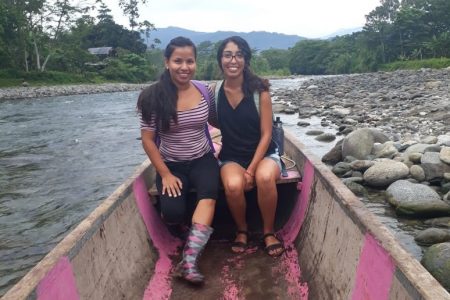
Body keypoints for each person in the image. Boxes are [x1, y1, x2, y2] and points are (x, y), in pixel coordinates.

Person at [136, 36, 219, 284]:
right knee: (172, 213)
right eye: (178, 61)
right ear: (167, 62)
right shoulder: (152, 97)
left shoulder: (204, 90)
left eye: (190, 61)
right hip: (170, 163)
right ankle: (183, 228)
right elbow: (148, 140)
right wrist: (165, 174)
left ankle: (189, 261)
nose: (184, 67)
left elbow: (217, 121)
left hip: (203, 157)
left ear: (195, 62)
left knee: (209, 196)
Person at [215, 36, 285, 257]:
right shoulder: (213, 92)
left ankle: (268, 232)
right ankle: (242, 229)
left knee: (264, 178)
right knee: (234, 186)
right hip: (232, 156)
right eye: (227, 55)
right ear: (220, 60)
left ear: (245, 59)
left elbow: (266, 135)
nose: (233, 60)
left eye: (238, 55)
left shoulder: (260, 91)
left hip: (264, 154)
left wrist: (252, 169)